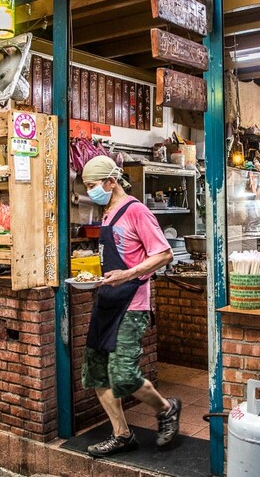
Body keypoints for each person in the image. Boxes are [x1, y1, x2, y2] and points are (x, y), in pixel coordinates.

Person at [79, 156, 180, 457]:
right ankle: (122, 434)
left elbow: (164, 254)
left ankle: (166, 408)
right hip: (106, 302)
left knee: (123, 375)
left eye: (93, 185)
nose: (90, 191)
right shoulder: (106, 213)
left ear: (111, 182)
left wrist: (127, 274)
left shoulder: (136, 211)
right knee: (96, 374)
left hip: (132, 304)